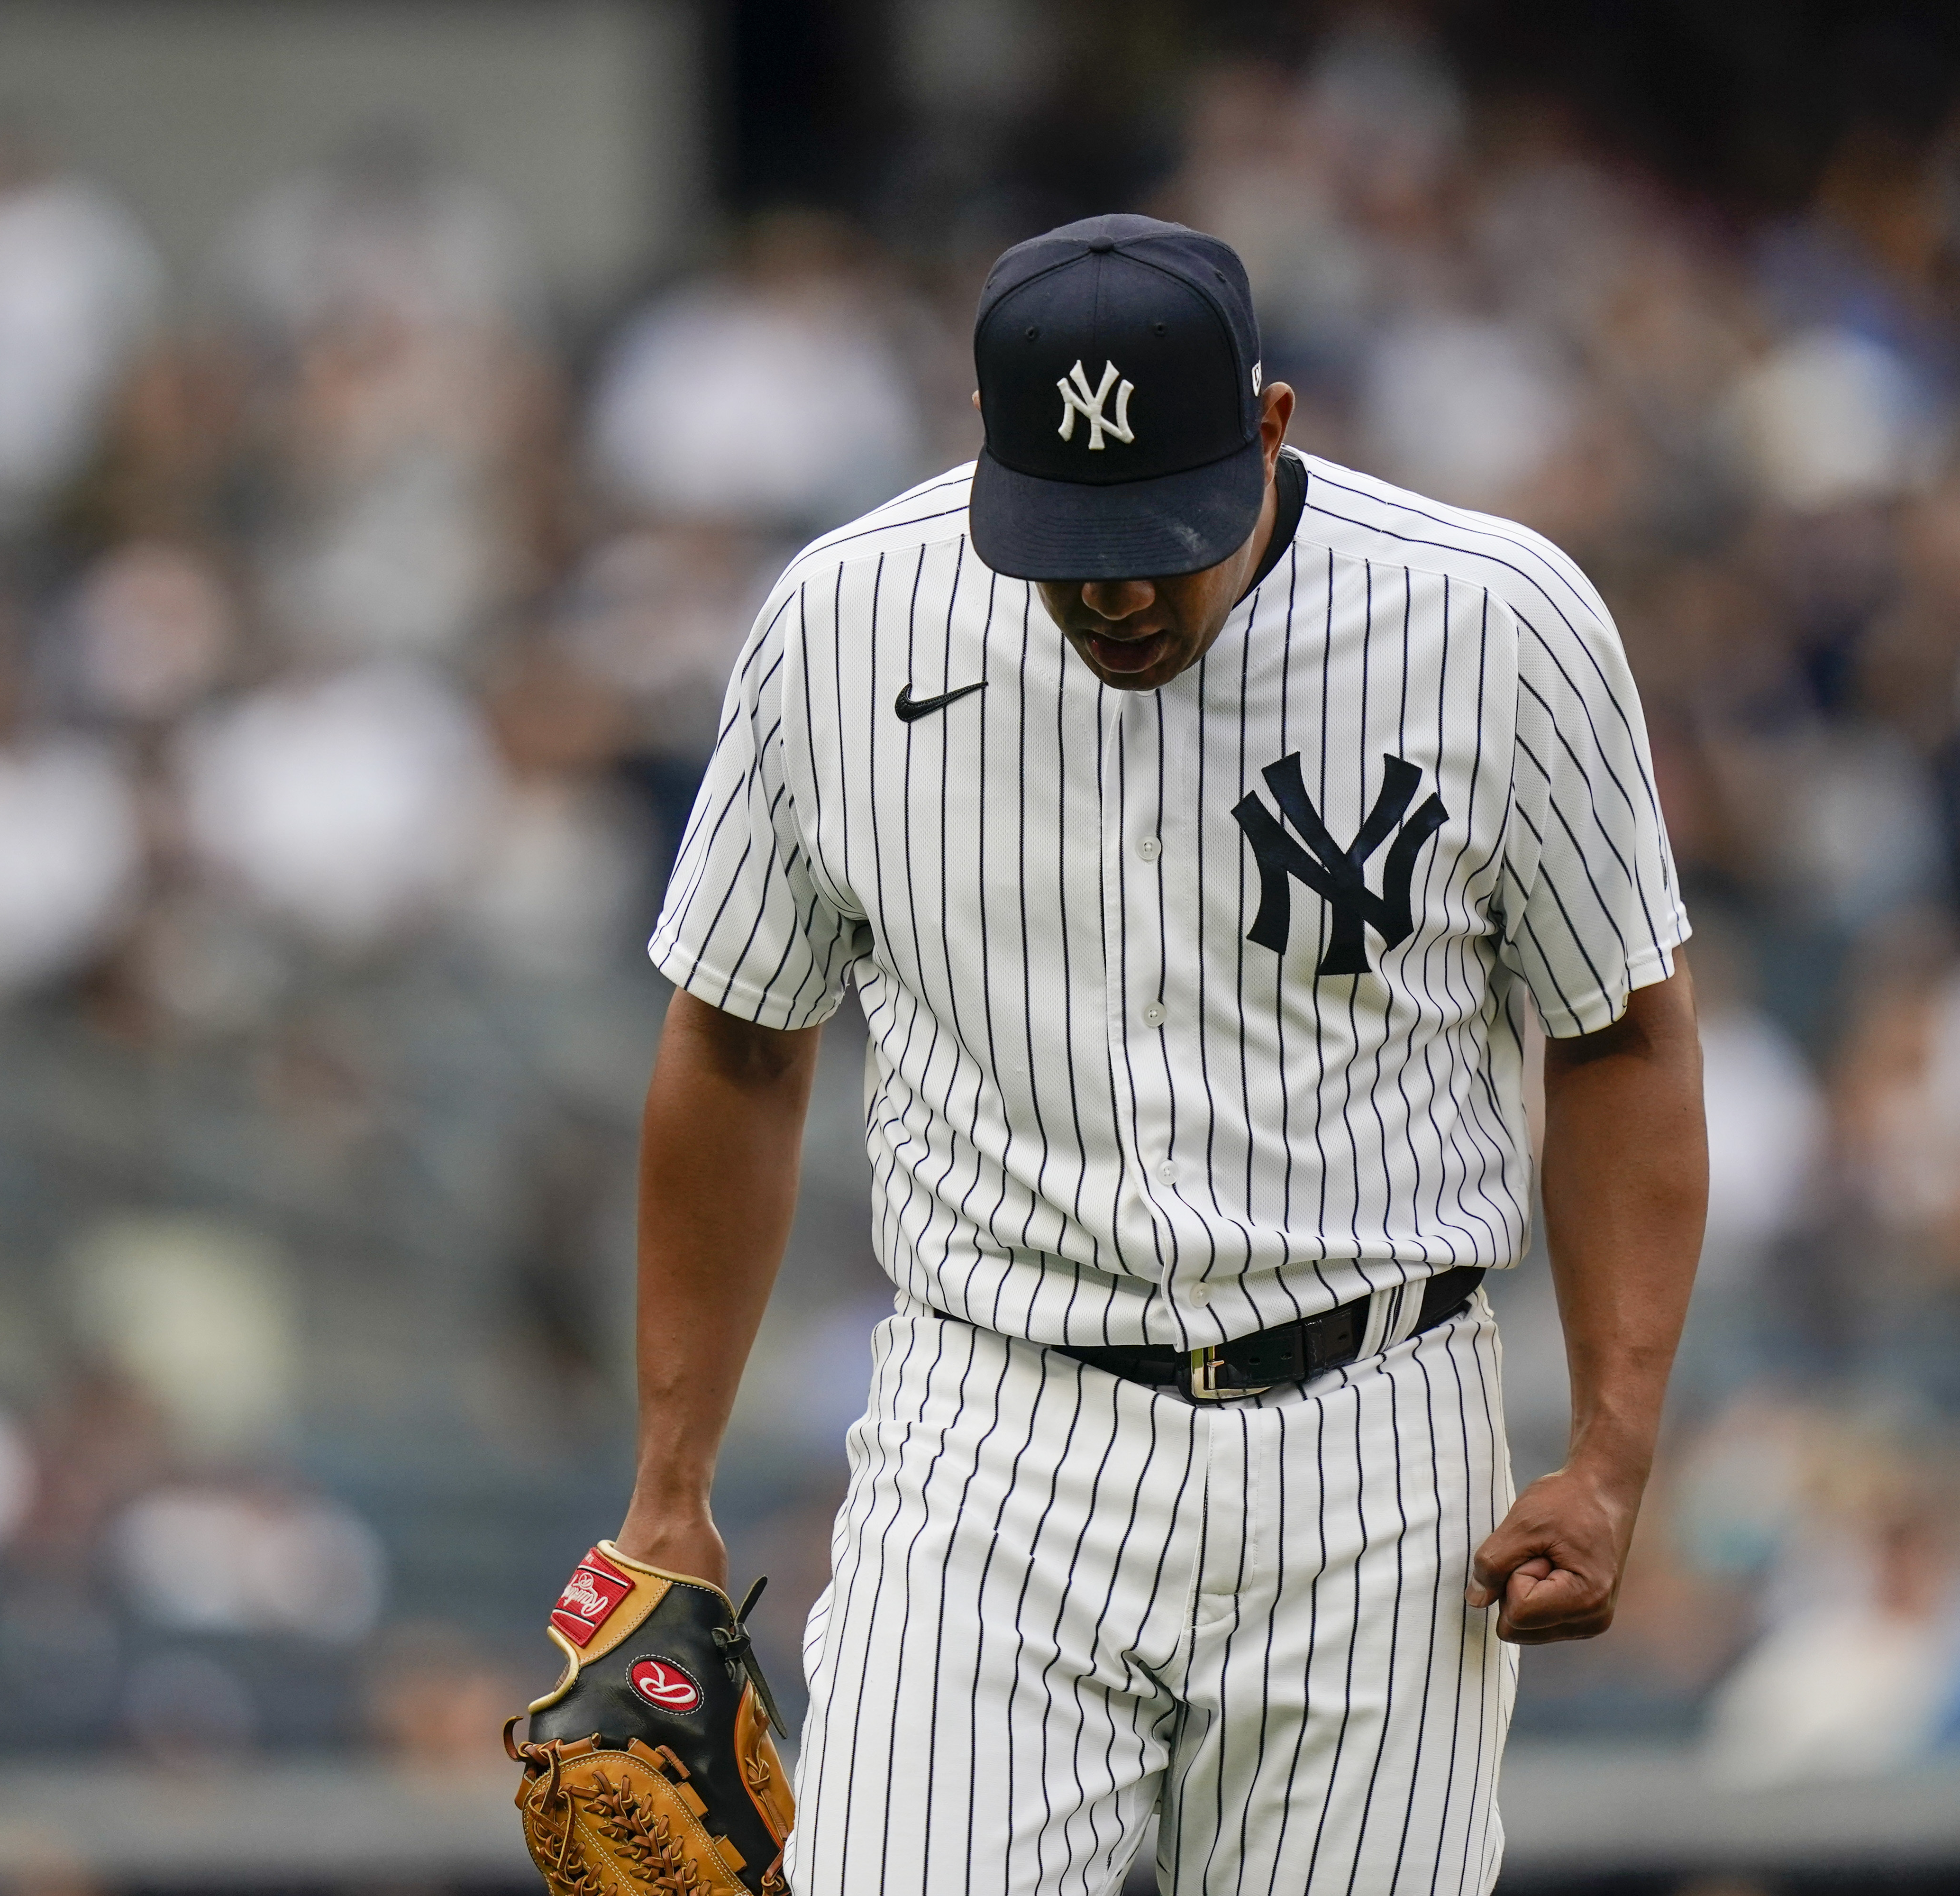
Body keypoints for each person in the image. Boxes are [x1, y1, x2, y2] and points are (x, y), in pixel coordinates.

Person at [617, 215, 1705, 1893]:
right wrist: (666, 1489)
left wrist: (1614, 1449)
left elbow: (1622, 1030)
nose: (1115, 587)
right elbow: (739, 1041)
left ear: (1269, 430)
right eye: (1067, 538)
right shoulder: (842, 622)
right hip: (995, 1427)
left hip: (1377, 1436)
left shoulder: (1495, 625)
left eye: (1158, 533)